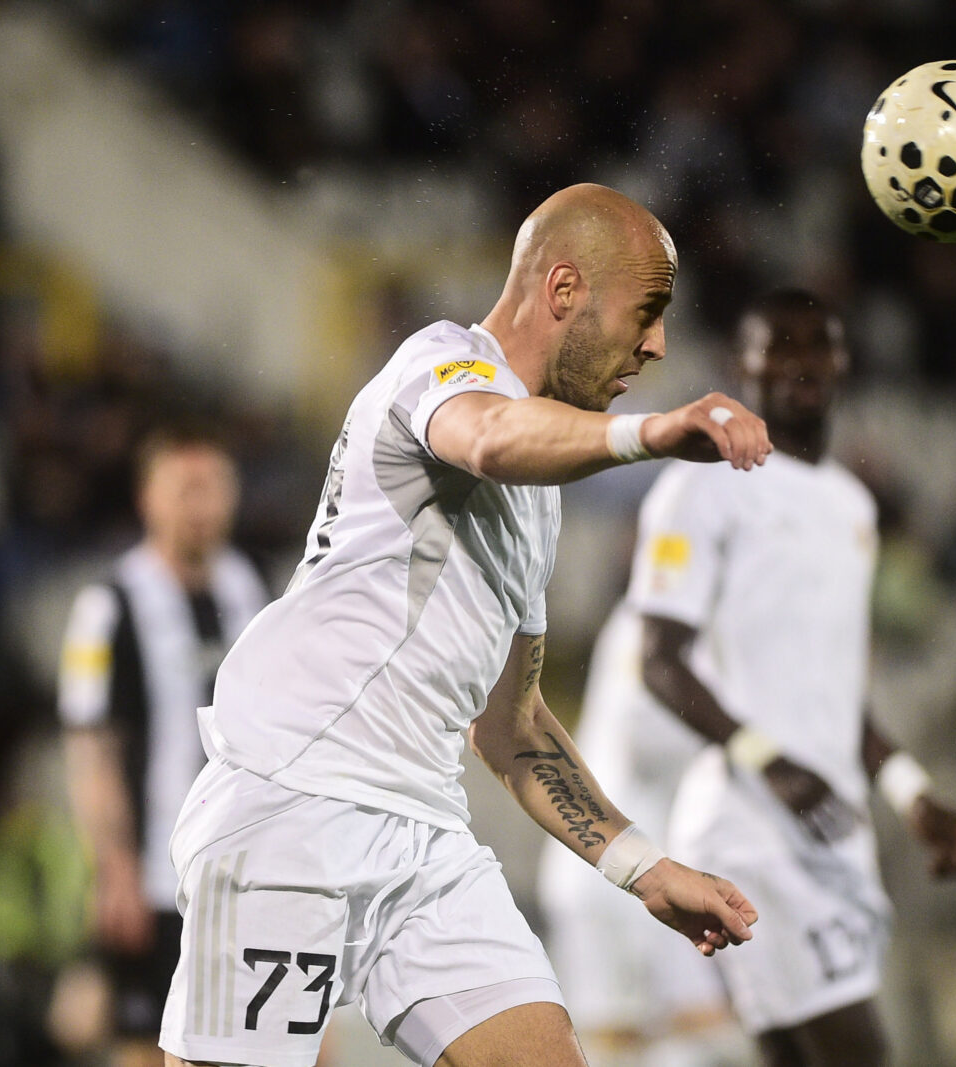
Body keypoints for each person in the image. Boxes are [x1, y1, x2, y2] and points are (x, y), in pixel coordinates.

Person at [158, 183, 769, 1067]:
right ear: (563, 292)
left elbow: (511, 728)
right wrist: (654, 434)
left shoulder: (540, 504)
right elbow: (487, 436)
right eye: (648, 311)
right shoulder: (436, 363)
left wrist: (645, 868)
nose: (658, 343)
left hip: (425, 837)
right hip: (293, 795)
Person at [625, 288, 956, 1066]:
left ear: (844, 362)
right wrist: (772, 763)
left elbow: (835, 695)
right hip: (752, 830)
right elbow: (657, 659)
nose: (799, 361)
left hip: (831, 826)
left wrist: (912, 796)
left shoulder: (851, 504)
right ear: (740, 364)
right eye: (776, 344)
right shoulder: (702, 486)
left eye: (817, 343)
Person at [59, 426, 270, 1067]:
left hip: (243, 873)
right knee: (148, 1045)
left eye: (211, 489)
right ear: (147, 498)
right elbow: (91, 744)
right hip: (155, 873)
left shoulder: (248, 588)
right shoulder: (108, 604)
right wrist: (113, 865)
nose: (200, 506)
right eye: (185, 490)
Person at [536, 603, 746, 1067]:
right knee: (626, 1038)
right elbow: (642, 735)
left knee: (691, 1030)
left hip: (645, 864)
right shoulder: (655, 620)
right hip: (618, 865)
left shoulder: (697, 620)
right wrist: (743, 739)